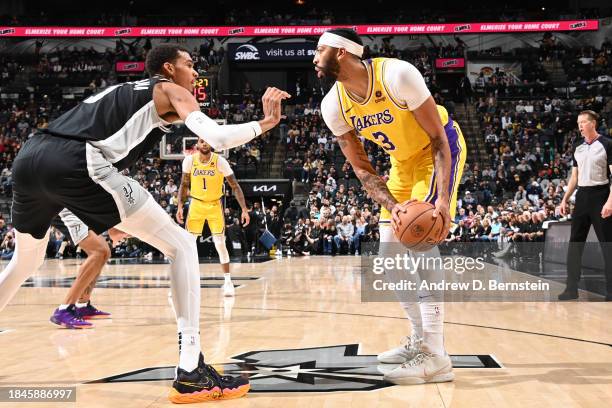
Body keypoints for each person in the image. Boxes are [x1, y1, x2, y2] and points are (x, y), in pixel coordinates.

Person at [0, 43, 289, 403]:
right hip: (78, 162)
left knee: (25, 261)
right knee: (182, 245)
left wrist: (114, 215)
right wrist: (266, 122)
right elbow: (215, 138)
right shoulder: (171, 89)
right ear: (168, 69)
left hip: (30, 157)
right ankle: (190, 371)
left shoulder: (125, 94)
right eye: (189, 64)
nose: (196, 71)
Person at [314, 28, 466, 385]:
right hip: (401, 166)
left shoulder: (397, 74)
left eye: (319, 49)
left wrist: (441, 201)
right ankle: (418, 340)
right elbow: (362, 170)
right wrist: (392, 205)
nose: (313, 57)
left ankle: (436, 354)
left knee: (420, 245)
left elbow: (439, 141)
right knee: (389, 260)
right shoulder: (332, 105)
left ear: (340, 52)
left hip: (436, 154)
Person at [176, 138, 250, 297]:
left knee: (220, 244)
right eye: (201, 141)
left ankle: (228, 282)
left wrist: (244, 209)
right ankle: (183, 283)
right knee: (188, 245)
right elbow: (184, 184)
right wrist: (180, 206)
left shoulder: (220, 162)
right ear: (197, 144)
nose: (204, 144)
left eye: (207, 141)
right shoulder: (189, 161)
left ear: (211, 144)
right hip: (196, 205)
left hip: (215, 205)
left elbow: (235, 185)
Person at [558, 110, 612, 301]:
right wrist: (565, 199)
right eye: (578, 122)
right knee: (575, 244)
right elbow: (575, 176)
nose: (579, 126)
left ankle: (610, 291)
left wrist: (610, 202)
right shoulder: (577, 146)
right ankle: (571, 288)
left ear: (593, 123)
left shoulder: (607, 144)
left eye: (583, 122)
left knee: (607, 245)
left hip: (601, 195)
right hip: (582, 196)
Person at [49, 209, 115, 329]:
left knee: (105, 252)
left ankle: (82, 305)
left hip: (78, 207)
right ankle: (65, 309)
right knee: (98, 251)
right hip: (62, 205)